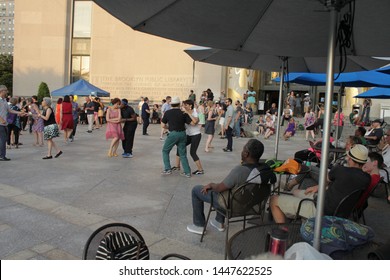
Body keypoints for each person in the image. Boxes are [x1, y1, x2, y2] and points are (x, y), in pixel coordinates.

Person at [186, 139, 275, 234]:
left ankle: (199, 225)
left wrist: (211, 184)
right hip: (251, 207)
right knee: (227, 188)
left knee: (197, 190)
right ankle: (219, 221)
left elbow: (219, 188)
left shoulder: (240, 170)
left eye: (243, 149)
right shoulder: (263, 170)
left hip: (233, 207)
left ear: (246, 153)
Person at [270, 144, 371, 223]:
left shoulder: (339, 170)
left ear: (349, 158)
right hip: (339, 213)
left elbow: (325, 180)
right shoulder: (367, 179)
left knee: (273, 199)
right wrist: (317, 187)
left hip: (319, 210)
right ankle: (295, 212)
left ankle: (282, 234)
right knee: (296, 192)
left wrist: (318, 187)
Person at [160, 96, 192, 177]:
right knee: (182, 154)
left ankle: (167, 169)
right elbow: (191, 123)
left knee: (165, 151)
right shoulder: (183, 113)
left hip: (173, 133)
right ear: (179, 104)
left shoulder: (167, 112)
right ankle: (187, 172)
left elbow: (163, 125)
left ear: (171, 104)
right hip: (182, 134)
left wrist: (169, 127)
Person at [173, 99, 204, 176]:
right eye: (183, 105)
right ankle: (177, 166)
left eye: (185, 105)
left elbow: (195, 121)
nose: (184, 106)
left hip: (196, 135)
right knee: (180, 147)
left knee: (192, 152)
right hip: (189, 135)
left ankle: (200, 170)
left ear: (190, 106)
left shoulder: (195, 112)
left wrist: (187, 113)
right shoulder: (184, 113)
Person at [0, 85, 26, 161]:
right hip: (1, 124)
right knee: (2, 140)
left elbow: (10, 110)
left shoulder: (5, 100)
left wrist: (20, 112)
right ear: (1, 91)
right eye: (6, 91)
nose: (7, 92)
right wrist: (1, 120)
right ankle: (2, 156)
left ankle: (2, 155)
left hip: (4, 123)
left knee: (3, 140)